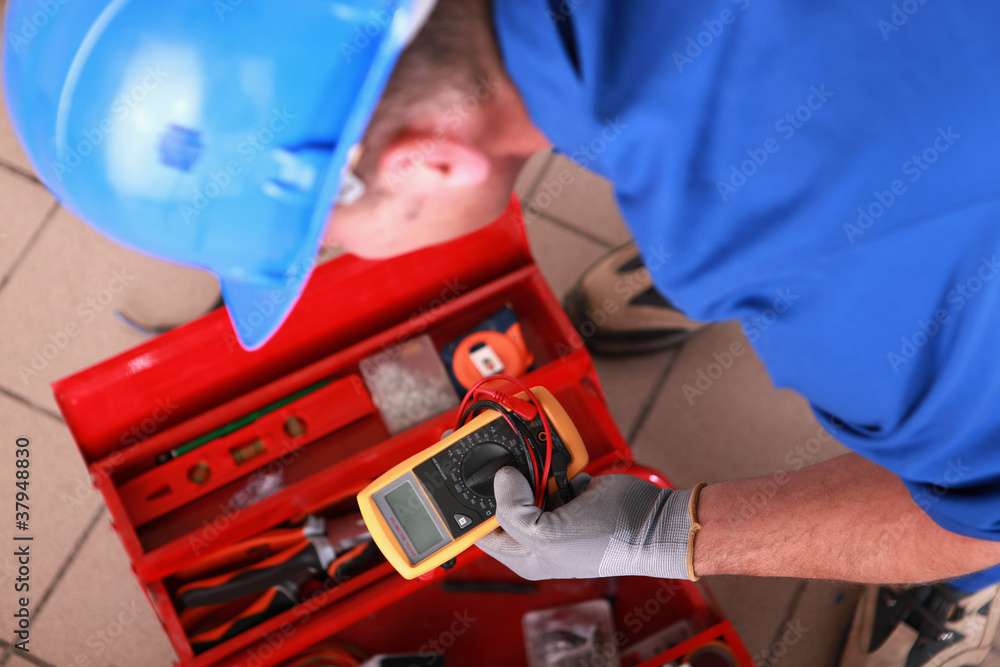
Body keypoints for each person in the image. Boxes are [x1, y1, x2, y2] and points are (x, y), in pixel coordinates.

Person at [6, 0, 1000, 664]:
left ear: (428, 164)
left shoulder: (836, 250)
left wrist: (666, 533)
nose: (339, 259)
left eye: (325, 239)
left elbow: (972, 512)